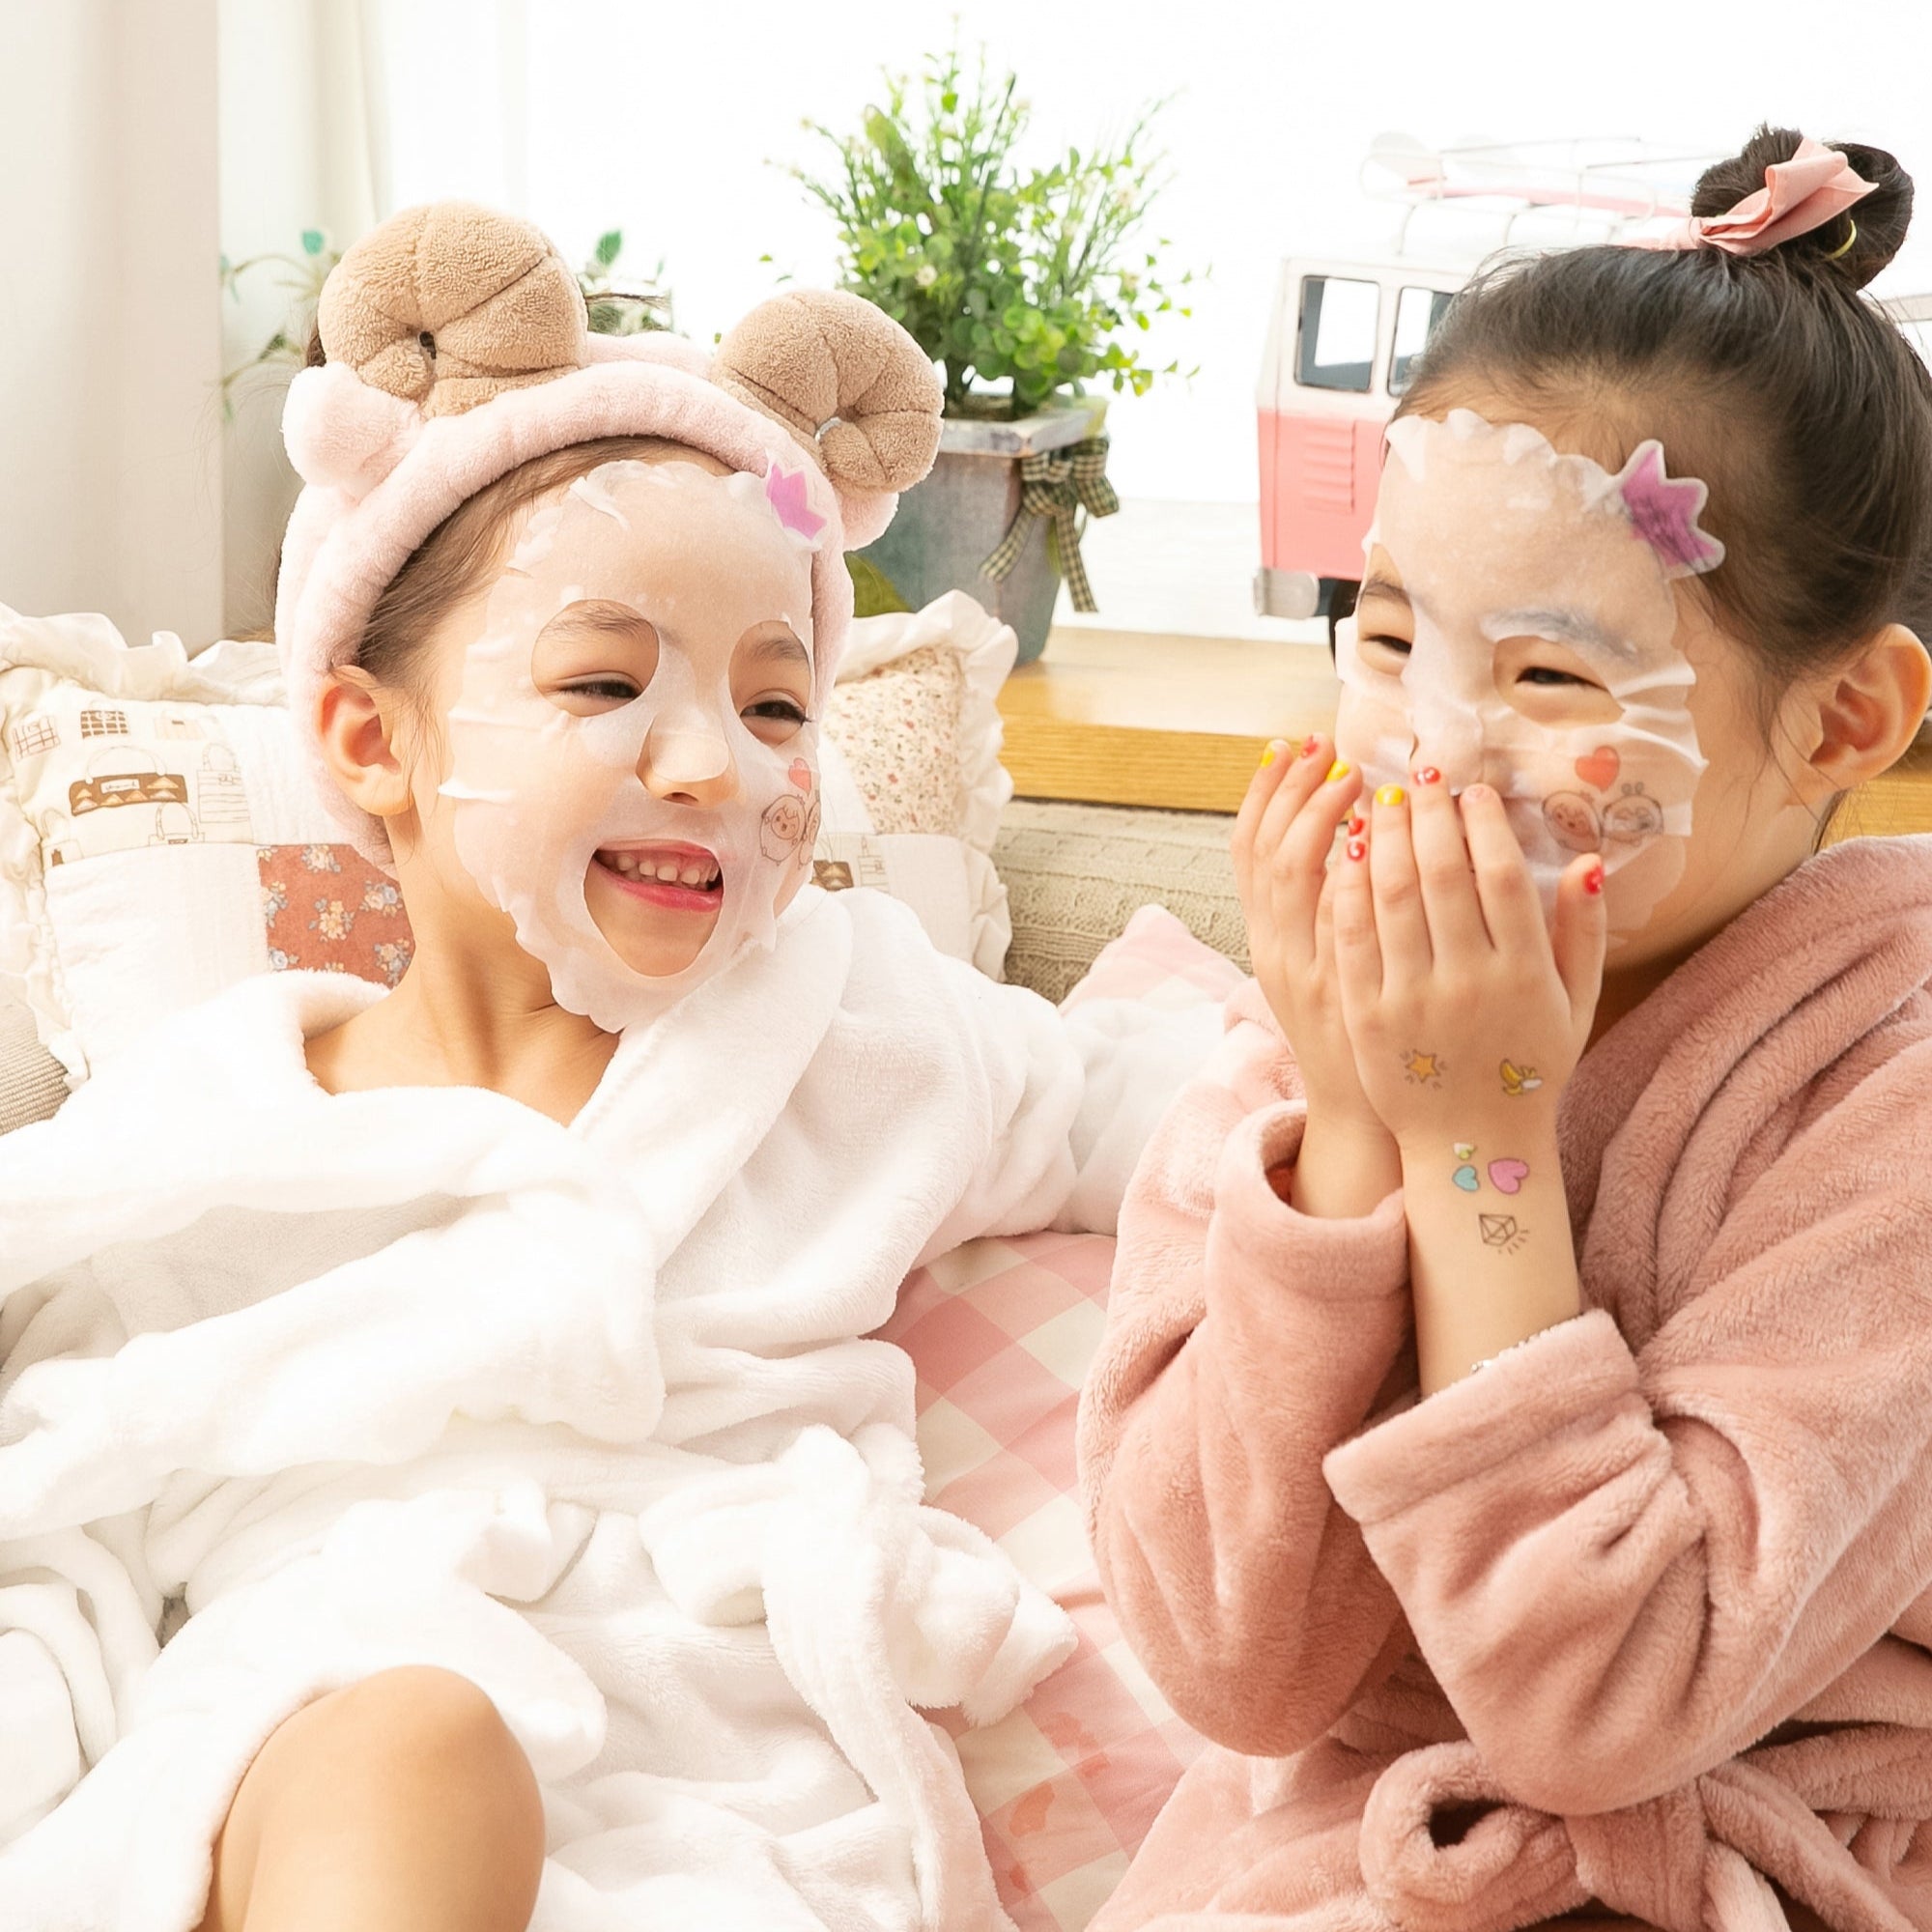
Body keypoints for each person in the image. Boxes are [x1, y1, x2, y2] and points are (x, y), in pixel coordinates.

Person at [0, 202, 1122, 1932]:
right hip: (323, 1747)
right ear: (372, 743)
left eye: (776, 708)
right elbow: (53, 1523)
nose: (711, 768)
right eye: (605, 680)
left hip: (738, 1792)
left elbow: (1184, 1122)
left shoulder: (858, 1025)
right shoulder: (202, 1143)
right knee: (424, 1743)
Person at [1079, 128, 1932, 1932]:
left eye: (1549, 676)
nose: (1430, 750)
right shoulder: (1295, 1051)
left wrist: (1480, 1142)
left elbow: (1602, 1713)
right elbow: (1233, 1673)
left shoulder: (1891, 1102)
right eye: (1384, 636)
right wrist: (1348, 1127)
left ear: (1849, 716)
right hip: (1360, 1859)